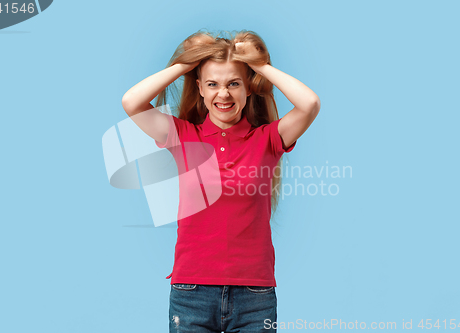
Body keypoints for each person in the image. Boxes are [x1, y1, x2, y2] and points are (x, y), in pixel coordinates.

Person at [121, 29, 320, 333]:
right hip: (191, 293)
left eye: (234, 84)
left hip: (255, 296)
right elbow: (131, 101)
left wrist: (259, 66)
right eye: (212, 84)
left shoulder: (267, 139)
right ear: (199, 88)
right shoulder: (183, 136)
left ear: (248, 88)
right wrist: (187, 63)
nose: (223, 94)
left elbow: (309, 104)